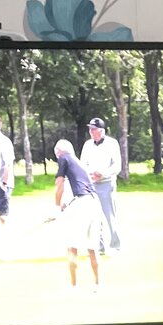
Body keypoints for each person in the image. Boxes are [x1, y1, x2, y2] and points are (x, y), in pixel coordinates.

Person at [52, 138, 100, 291]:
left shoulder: (63, 158)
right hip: (94, 202)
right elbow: (79, 187)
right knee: (92, 246)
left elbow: (59, 184)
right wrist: (64, 205)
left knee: (72, 244)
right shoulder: (78, 163)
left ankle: (73, 285)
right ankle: (97, 284)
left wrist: (56, 207)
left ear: (58, 152)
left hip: (81, 204)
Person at [80, 115, 121, 256]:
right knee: (94, 217)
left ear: (101, 130)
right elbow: (83, 163)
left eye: (94, 129)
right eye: (90, 129)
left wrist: (103, 174)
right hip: (91, 184)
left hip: (106, 183)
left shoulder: (112, 144)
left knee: (109, 215)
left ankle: (115, 246)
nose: (91, 132)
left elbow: (117, 165)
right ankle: (99, 246)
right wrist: (89, 175)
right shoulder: (87, 145)